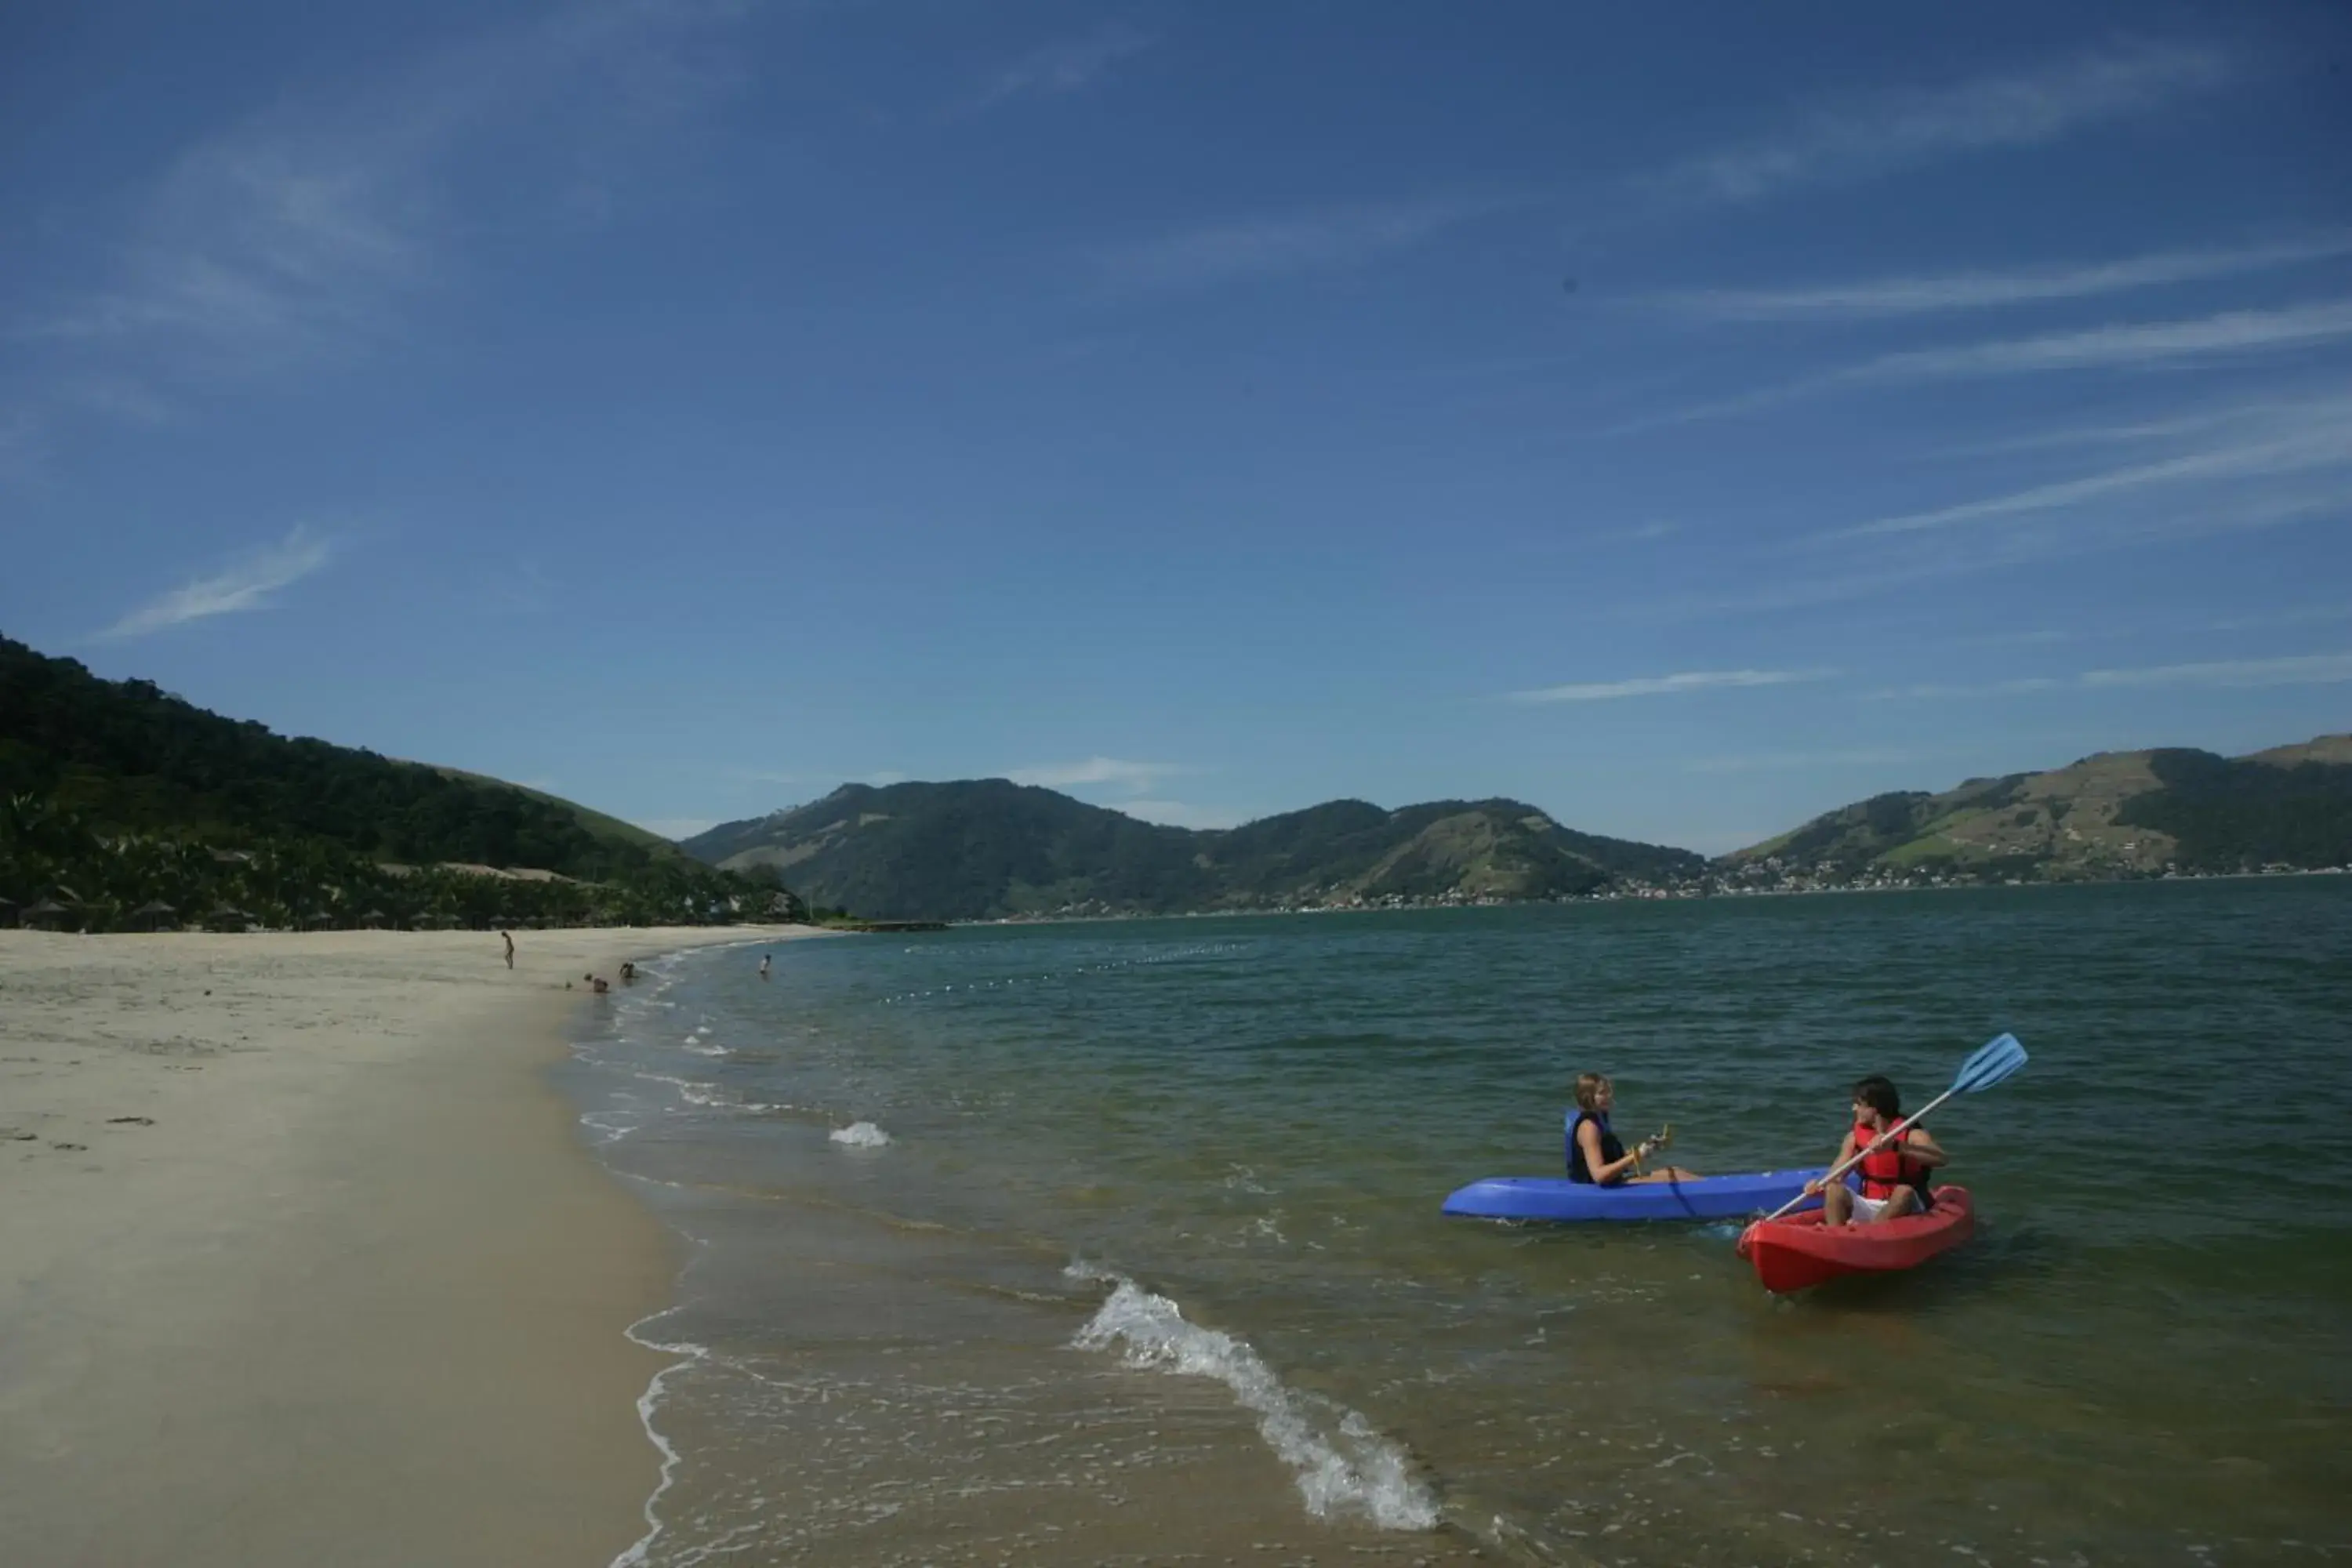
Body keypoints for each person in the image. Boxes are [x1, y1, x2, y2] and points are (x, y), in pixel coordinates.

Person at [1813, 1074, 1946, 1225]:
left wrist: (1896, 1147)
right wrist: (1819, 1185)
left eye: (1859, 1104)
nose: (1854, 1108)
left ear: (1874, 1109)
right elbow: (1837, 1174)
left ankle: (1869, 1232)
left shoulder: (1912, 1134)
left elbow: (1941, 1159)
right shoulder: (1854, 1137)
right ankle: (1835, 1236)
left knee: (1904, 1191)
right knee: (1833, 1189)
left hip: (1907, 1206)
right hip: (1870, 1202)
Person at [1566, 1072, 1697, 1185]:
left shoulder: (1600, 1119)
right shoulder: (1589, 1127)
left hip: (1614, 1182)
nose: (1609, 1096)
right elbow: (1599, 1175)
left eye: (1608, 1092)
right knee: (1676, 1176)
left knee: (1677, 1171)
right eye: (1602, 1093)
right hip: (1600, 1189)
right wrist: (1637, 1155)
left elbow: (1611, 1157)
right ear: (1588, 1098)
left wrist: (1647, 1147)